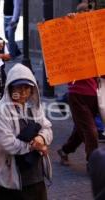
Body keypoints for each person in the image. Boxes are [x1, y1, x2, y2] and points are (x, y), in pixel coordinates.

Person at [0, 63, 53, 200]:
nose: (23, 92)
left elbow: (47, 128)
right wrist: (33, 146)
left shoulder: (34, 107)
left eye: (27, 87)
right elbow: (6, 143)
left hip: (35, 175)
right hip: (9, 177)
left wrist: (41, 138)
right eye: (18, 87)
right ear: (10, 88)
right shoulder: (1, 110)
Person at [57, 2, 100, 167]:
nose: (90, 13)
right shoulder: (74, 36)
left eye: (91, 10)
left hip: (95, 92)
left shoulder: (96, 36)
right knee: (91, 131)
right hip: (78, 93)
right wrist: (69, 24)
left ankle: (65, 150)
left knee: (82, 129)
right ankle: (94, 164)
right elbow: (62, 45)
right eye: (85, 11)